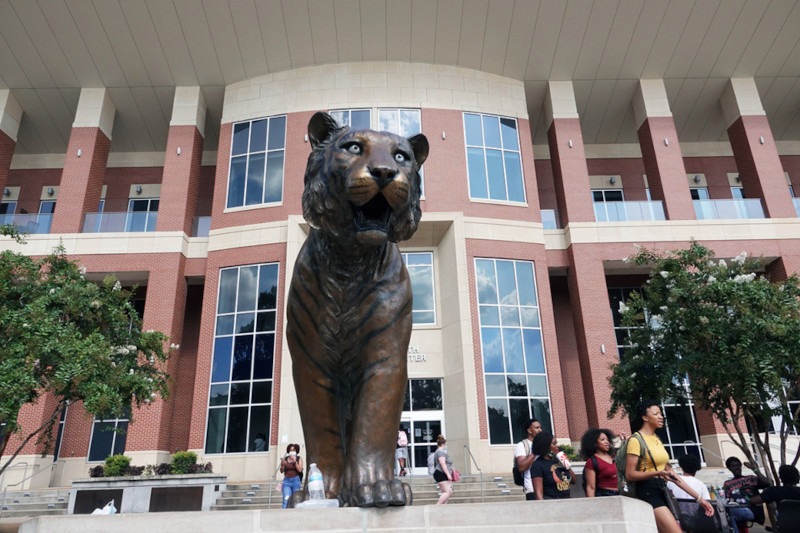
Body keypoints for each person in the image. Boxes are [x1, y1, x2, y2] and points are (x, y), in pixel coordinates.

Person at [626, 401, 713, 533]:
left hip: (663, 490)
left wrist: (699, 499)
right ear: (645, 417)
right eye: (656, 414)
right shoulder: (636, 440)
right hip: (648, 492)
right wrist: (657, 473)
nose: (661, 417)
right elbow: (630, 474)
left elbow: (673, 475)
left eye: (661, 414)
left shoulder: (657, 439)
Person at [722, 456, 769, 533]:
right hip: (737, 509)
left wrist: (754, 469)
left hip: (752, 510)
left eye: (738, 465)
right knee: (725, 513)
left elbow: (767, 483)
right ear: (729, 468)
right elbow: (727, 500)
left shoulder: (750, 479)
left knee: (731, 514)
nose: (736, 468)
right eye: (733, 466)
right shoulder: (727, 484)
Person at [530, 431, 574, 499]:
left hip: (567, 500)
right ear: (546, 446)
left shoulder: (558, 461)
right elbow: (539, 494)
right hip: (552, 501)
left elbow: (574, 481)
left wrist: (567, 465)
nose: (557, 446)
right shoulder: (538, 465)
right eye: (554, 443)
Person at [580, 428, 619, 497]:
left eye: (607, 440)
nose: (607, 442)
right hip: (604, 496)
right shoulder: (592, 461)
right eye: (602, 440)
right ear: (595, 443)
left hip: (621, 495)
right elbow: (591, 488)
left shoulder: (614, 457)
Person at [514, 418, 543, 500]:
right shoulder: (522, 445)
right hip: (532, 489)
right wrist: (535, 452)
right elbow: (521, 467)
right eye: (537, 428)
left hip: (548, 489)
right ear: (529, 430)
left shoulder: (544, 444)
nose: (540, 430)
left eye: (540, 427)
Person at [279, 443, 303, 509]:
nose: (292, 452)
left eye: (293, 450)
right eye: (290, 450)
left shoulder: (298, 458)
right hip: (286, 481)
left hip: (296, 480)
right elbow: (281, 471)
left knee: (295, 500)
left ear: (296, 451)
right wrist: (282, 465)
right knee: (286, 499)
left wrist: (295, 462)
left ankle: (295, 513)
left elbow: (300, 470)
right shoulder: (286, 458)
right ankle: (284, 513)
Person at [432, 434, 454, 504]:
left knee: (449, 491)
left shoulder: (440, 452)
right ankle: (438, 506)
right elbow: (442, 463)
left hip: (443, 473)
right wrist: (448, 474)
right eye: (445, 444)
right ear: (442, 444)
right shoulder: (440, 452)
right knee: (447, 492)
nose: (446, 446)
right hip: (441, 473)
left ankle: (443, 506)